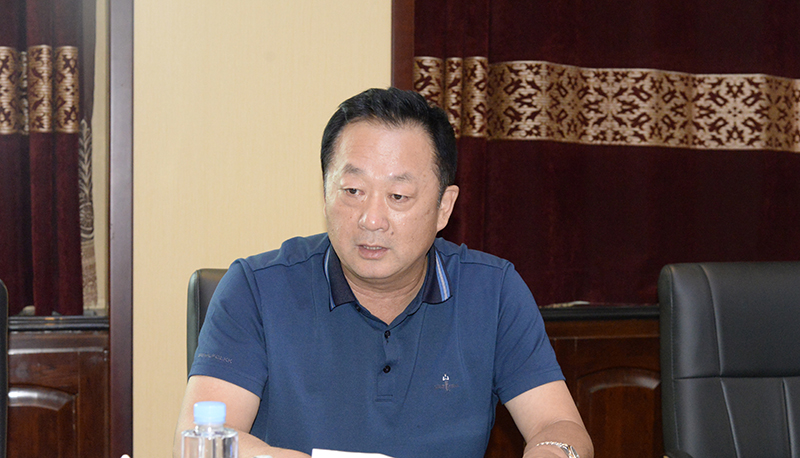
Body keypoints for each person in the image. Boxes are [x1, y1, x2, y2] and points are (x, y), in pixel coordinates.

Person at [174, 88, 593, 458]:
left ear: (444, 207)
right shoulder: (256, 289)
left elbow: (558, 425)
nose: (371, 219)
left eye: (399, 195)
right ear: (325, 191)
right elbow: (202, 439)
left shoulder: (494, 292)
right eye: (352, 191)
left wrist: (554, 452)